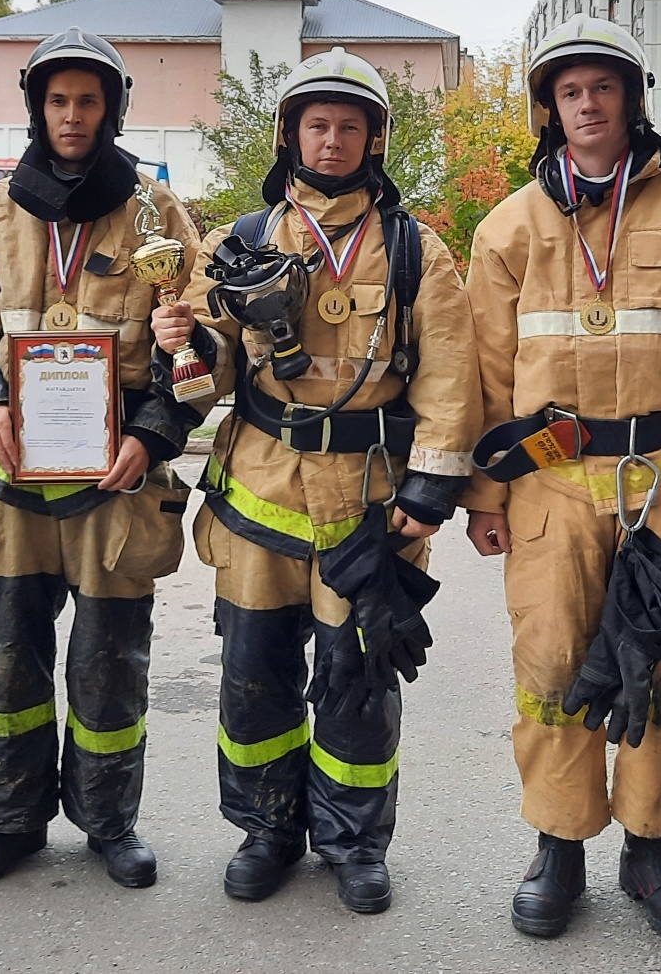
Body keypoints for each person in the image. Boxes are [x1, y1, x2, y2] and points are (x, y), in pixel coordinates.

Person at [460, 15, 661, 948]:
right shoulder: (508, 228)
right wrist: (484, 498)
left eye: (604, 87)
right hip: (551, 488)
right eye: (571, 91)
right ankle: (557, 847)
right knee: (551, 667)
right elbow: (482, 376)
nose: (589, 105)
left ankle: (651, 850)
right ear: (549, 108)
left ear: (632, 99)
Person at [165, 47, 481, 915]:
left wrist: (430, 494)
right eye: (317, 124)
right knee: (254, 673)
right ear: (289, 134)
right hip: (261, 492)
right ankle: (264, 829)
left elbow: (453, 379)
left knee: (359, 676)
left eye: (349, 126)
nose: (332, 140)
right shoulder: (242, 241)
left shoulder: (419, 251)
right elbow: (208, 378)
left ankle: (354, 841)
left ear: (374, 139)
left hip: (372, 508)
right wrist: (181, 346)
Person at [0, 28, 204, 892]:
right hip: (12, 486)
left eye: (88, 101)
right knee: (10, 661)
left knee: (110, 663)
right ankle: (10, 823)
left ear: (112, 109)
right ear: (38, 109)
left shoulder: (156, 215)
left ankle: (109, 823)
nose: (72, 116)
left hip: (115, 488)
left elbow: (202, 340)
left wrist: (152, 434)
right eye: (57, 101)